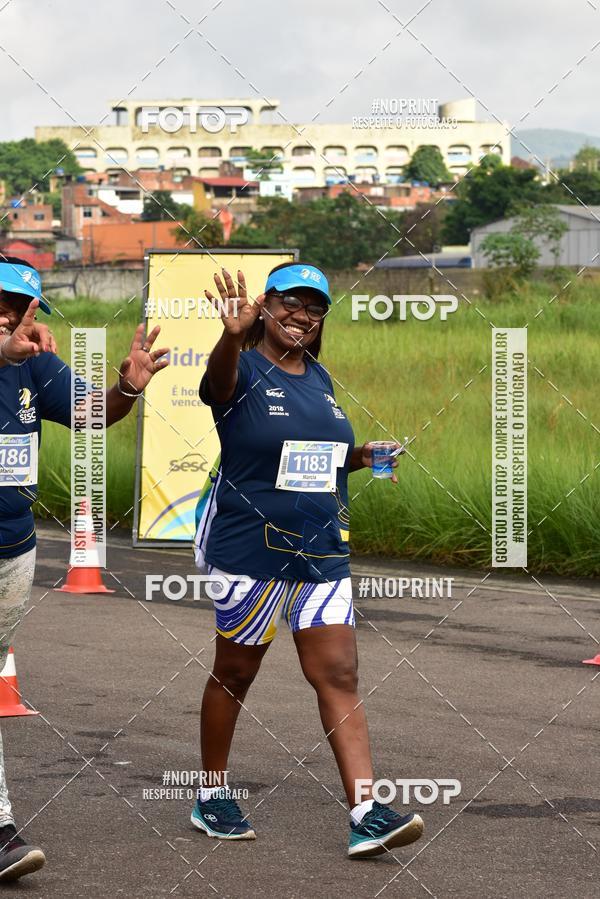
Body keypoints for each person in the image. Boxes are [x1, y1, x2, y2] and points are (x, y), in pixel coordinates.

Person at [192, 262, 423, 858]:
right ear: (266, 306)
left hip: (320, 551)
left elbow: (319, 457)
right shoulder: (240, 369)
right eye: (291, 303)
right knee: (236, 673)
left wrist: (362, 455)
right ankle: (210, 792)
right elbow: (216, 388)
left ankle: (366, 812)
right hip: (249, 549)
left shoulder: (319, 378)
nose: (302, 315)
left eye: (314, 307)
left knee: (339, 674)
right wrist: (229, 334)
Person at [0, 254, 169, 882]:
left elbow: (93, 414)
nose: (5, 312)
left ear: (31, 311)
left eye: (15, 304)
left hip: (12, 551)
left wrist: (128, 385)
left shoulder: (36, 365)